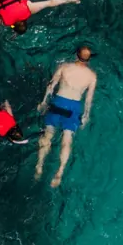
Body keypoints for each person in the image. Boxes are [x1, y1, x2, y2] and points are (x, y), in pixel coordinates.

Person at [35, 46, 97, 186]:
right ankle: (60, 171)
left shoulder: (64, 67)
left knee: (48, 135)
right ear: (89, 59)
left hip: (59, 101)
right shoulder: (92, 76)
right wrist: (86, 116)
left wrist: (44, 102)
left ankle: (39, 165)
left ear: (76, 55)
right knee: (67, 140)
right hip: (74, 106)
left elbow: (51, 85)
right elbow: (88, 99)